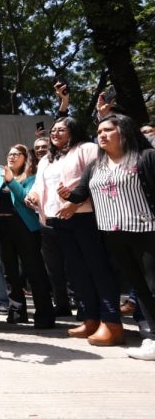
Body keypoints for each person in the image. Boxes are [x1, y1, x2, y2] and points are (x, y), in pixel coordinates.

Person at [57, 114, 155, 359]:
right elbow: (80, 195)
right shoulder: (96, 166)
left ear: (124, 131)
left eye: (108, 129)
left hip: (146, 231)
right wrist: (66, 196)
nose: (102, 134)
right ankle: (153, 338)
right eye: (99, 130)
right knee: (140, 288)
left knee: (153, 286)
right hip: (112, 234)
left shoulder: (145, 157)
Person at [25, 117, 122, 345]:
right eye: (54, 130)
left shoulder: (87, 149)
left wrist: (76, 203)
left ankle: (111, 322)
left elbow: (98, 178)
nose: (55, 133)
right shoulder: (46, 160)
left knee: (98, 268)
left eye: (61, 129)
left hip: (85, 217)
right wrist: (34, 197)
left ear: (74, 130)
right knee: (77, 272)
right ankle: (90, 318)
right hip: (57, 221)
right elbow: (40, 186)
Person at [0, 144, 55, 329]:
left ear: (25, 157)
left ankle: (44, 313)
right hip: (0, 227)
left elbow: (26, 198)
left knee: (33, 270)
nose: (11, 157)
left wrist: (12, 181)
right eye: (9, 154)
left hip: (24, 227)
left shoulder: (32, 177)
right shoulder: (0, 172)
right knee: (9, 272)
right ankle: (16, 311)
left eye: (16, 154)